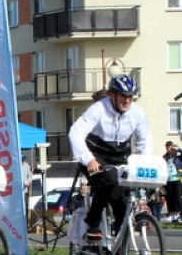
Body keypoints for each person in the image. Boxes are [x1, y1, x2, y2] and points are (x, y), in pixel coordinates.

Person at [68, 74, 152, 241]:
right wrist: (88, 159)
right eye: (122, 96)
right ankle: (92, 222)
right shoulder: (99, 109)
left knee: (122, 202)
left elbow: (145, 141)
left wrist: (146, 163)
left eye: (130, 96)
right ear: (112, 95)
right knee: (108, 179)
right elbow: (76, 132)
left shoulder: (138, 113)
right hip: (95, 156)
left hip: (120, 157)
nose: (127, 101)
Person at [162, 140, 182, 222]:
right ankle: (172, 214)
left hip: (177, 179)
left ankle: (179, 214)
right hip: (168, 179)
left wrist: (179, 149)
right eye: (167, 146)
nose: (168, 148)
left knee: (178, 197)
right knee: (170, 198)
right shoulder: (165, 157)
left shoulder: (178, 156)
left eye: (170, 146)